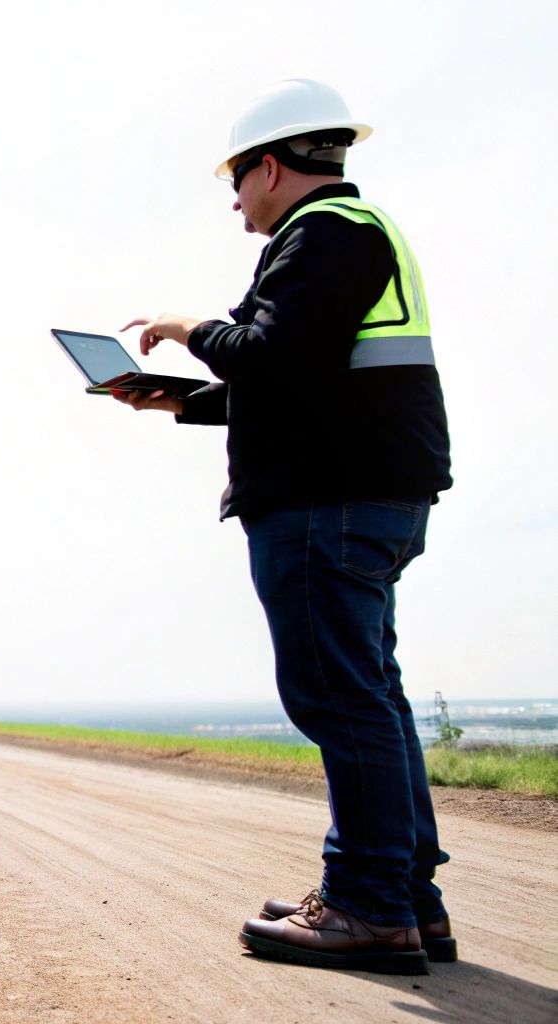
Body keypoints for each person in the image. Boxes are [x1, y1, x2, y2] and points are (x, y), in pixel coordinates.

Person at [117, 78, 454, 975]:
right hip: (368, 491)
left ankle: (367, 905)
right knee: (370, 692)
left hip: (328, 504)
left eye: (236, 181)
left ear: (270, 166)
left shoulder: (324, 235)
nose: (234, 202)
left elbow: (268, 351)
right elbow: (303, 381)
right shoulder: (357, 234)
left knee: (339, 698)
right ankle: (408, 899)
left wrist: (190, 327)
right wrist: (181, 405)